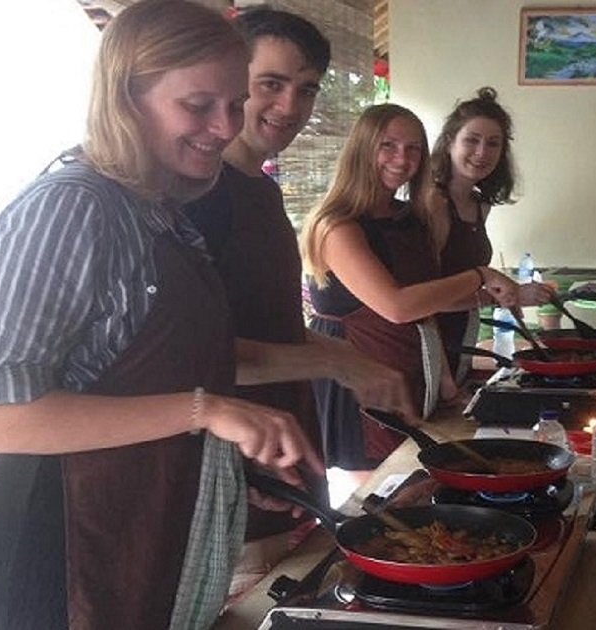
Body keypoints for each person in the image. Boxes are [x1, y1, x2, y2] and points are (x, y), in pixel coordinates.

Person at [0, 2, 322, 628]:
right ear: (127, 96)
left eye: (234, 103)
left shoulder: (158, 210)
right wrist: (209, 411)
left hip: (135, 532)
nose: (227, 125)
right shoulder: (70, 208)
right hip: (52, 561)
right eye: (200, 104)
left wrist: (223, 455)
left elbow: (168, 368)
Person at [182, 6, 417, 596]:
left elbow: (279, 326)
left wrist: (359, 367)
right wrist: (343, 361)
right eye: (271, 84)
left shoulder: (259, 189)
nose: (291, 106)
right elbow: (201, 356)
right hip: (230, 480)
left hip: (289, 466)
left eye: (306, 89)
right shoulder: (195, 201)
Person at [301, 103, 550, 471]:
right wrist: (481, 275)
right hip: (357, 385)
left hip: (413, 378)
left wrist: (446, 383)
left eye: (413, 148)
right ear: (361, 148)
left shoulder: (407, 218)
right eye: (388, 145)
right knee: (379, 497)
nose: (402, 159)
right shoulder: (338, 227)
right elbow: (397, 306)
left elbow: (426, 307)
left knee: (415, 488)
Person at [429, 86, 552, 381]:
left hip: (461, 335)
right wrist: (507, 295)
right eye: (472, 140)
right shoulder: (433, 202)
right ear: (449, 142)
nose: (482, 153)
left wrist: (505, 292)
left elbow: (466, 276)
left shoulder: (480, 204)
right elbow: (428, 299)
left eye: (493, 144)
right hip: (427, 344)